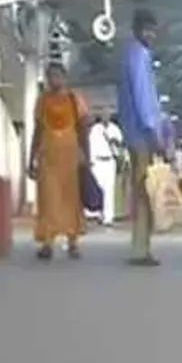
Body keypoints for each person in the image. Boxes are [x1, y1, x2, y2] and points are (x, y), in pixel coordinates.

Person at [117, 7, 167, 267]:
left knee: (141, 191)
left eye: (153, 30)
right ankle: (140, 249)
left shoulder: (129, 54)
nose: (151, 35)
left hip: (133, 131)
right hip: (141, 134)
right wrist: (153, 132)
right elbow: (143, 97)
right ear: (138, 29)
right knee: (144, 193)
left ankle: (141, 246)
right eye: (147, 29)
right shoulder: (139, 55)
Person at [27, 61, 91, 260]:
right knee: (48, 199)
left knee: (71, 198)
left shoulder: (74, 100)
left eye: (58, 76)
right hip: (48, 156)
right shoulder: (42, 101)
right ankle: (47, 242)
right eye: (51, 76)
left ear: (65, 78)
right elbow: (37, 131)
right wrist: (31, 158)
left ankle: (73, 241)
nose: (54, 80)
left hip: (70, 156)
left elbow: (83, 129)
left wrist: (86, 155)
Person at [87, 113, 123, 226]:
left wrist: (114, 142)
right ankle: (98, 213)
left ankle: (108, 217)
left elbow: (120, 144)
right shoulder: (95, 130)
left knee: (109, 189)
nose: (105, 117)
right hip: (97, 162)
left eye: (107, 115)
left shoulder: (115, 129)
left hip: (109, 161)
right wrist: (91, 161)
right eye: (103, 115)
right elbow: (90, 145)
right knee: (98, 188)